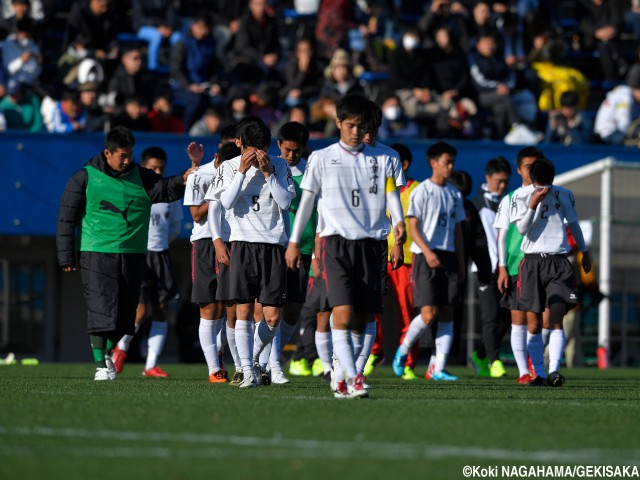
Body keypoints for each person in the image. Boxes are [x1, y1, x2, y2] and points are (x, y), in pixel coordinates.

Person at [285, 93, 406, 399]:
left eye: (360, 125)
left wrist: (399, 221)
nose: (355, 131)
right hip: (335, 244)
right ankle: (351, 379)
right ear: (338, 123)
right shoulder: (321, 159)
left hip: (370, 243)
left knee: (363, 317)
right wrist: (294, 242)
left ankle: (341, 377)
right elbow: (307, 203)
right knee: (341, 310)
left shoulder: (381, 158)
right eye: (350, 124)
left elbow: (391, 192)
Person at [56, 126, 198, 380]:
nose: (126, 160)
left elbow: (165, 189)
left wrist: (184, 178)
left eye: (130, 155)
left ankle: (110, 354)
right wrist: (66, 255)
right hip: (96, 252)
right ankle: (100, 364)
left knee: (126, 315)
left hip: (133, 254)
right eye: (121, 155)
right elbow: (66, 217)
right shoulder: (84, 177)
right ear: (107, 153)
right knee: (101, 308)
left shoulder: (142, 177)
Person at [212, 118, 295, 388]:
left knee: (272, 318)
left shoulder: (280, 165)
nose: (257, 154)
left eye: (262, 148)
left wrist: (269, 173)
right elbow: (225, 202)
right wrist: (241, 171)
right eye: (252, 149)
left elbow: (285, 202)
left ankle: (255, 360)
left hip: (273, 245)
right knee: (243, 311)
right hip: (243, 243)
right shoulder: (228, 166)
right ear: (240, 145)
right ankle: (247, 370)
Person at [510, 157, 591, 386]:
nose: (544, 187)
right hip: (532, 263)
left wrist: (584, 251)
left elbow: (573, 223)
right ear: (532, 180)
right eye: (540, 183)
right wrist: (533, 203)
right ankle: (540, 374)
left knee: (555, 319)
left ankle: (554, 370)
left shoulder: (564, 194)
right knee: (533, 323)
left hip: (558, 262)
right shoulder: (521, 195)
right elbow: (522, 229)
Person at [392, 141, 465, 382]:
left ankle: (438, 368)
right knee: (428, 314)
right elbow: (413, 225)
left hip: (448, 256)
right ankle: (402, 351)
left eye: (452, 162)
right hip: (425, 256)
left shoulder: (455, 194)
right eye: (447, 162)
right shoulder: (421, 190)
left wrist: (458, 261)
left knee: (447, 313)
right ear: (433, 163)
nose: (451, 166)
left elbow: (456, 231)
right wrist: (428, 251)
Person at [111, 147, 182, 377]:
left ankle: (150, 365)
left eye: (161, 167)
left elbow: (174, 228)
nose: (158, 171)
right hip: (139, 255)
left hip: (161, 255)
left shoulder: (169, 194)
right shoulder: (133, 189)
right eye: (153, 167)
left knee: (161, 310)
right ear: (143, 167)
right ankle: (121, 348)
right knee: (139, 312)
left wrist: (160, 244)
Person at [365, 143, 421, 381]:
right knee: (370, 308)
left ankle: (408, 361)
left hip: (407, 259)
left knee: (408, 313)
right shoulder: (374, 186)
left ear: (403, 165)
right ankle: (373, 352)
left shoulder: (417, 190)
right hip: (378, 254)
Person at [494, 146, 545, 385]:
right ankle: (525, 372)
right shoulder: (510, 198)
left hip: (542, 266)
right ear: (518, 170)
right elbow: (501, 236)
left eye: (536, 165)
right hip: (516, 266)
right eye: (528, 166)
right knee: (518, 318)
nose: (532, 170)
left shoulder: (551, 195)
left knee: (539, 320)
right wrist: (502, 267)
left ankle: (539, 367)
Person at [183, 140, 228, 383]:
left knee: (227, 307)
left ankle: (221, 358)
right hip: (206, 243)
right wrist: (220, 193)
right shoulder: (200, 174)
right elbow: (196, 215)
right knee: (209, 307)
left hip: (234, 241)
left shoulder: (247, 173)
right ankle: (214, 368)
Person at [204, 140, 244, 386]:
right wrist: (218, 241)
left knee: (258, 310)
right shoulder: (219, 174)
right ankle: (238, 366)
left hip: (251, 244)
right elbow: (208, 211)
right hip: (227, 246)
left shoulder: (258, 171)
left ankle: (259, 365)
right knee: (231, 311)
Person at [469, 156, 512, 378]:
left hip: (507, 268)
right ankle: (495, 361)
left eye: (506, 181)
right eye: (499, 181)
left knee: (508, 318)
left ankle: (480, 353)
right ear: (488, 178)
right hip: (484, 269)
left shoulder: (510, 203)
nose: (502, 186)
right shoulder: (475, 205)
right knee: (491, 316)